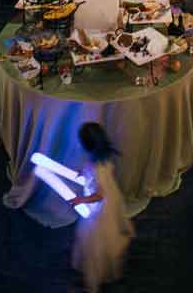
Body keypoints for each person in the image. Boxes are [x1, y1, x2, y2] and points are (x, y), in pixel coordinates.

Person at [70, 122, 135, 293]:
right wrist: (83, 171)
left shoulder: (95, 168)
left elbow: (99, 195)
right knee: (107, 234)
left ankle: (93, 280)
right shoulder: (103, 157)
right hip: (111, 202)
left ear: (86, 145)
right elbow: (101, 177)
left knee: (94, 241)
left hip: (98, 211)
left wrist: (80, 199)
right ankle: (104, 262)